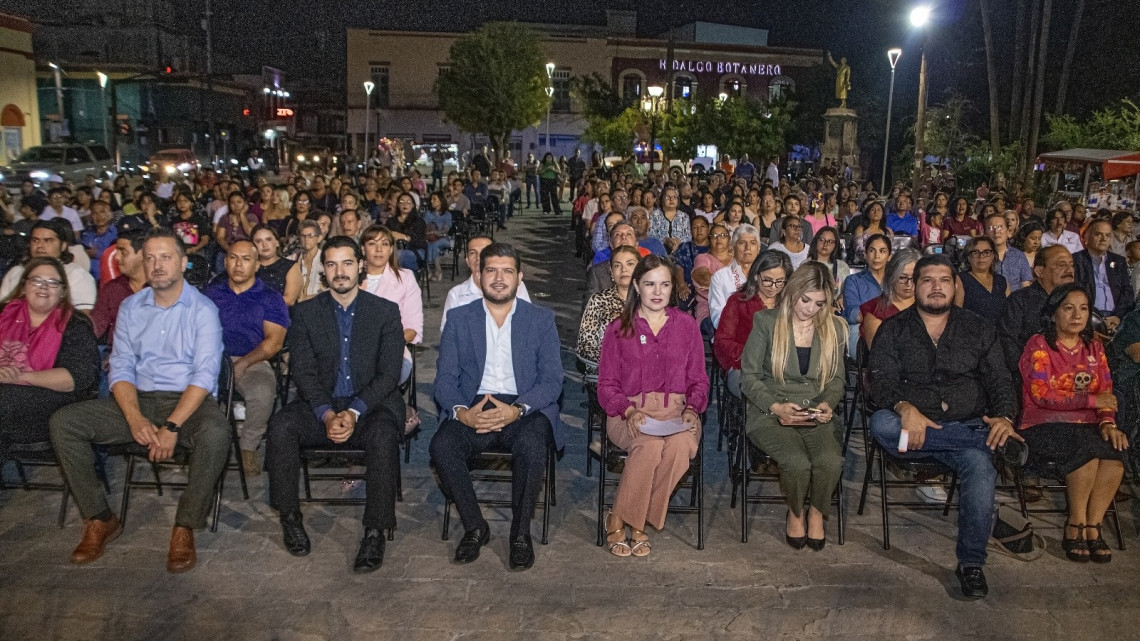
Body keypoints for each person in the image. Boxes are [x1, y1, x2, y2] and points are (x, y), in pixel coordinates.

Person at [49, 228, 229, 574]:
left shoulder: (203, 310)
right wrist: (134, 419)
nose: (157, 265)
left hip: (187, 403)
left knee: (216, 433)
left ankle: (185, 525)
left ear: (183, 262)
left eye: (166, 257)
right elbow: (121, 367)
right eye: (150, 258)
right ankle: (100, 518)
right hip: (139, 400)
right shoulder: (131, 307)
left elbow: (205, 376)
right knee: (65, 422)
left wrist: (171, 426)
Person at [868, 254, 1024, 599]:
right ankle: (982, 441)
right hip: (908, 431)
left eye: (944, 280)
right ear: (914, 285)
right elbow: (880, 382)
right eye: (927, 280)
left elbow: (1000, 379)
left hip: (962, 420)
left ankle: (971, 564)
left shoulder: (979, 328)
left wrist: (1004, 417)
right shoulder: (893, 329)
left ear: (956, 286)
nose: (936, 287)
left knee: (980, 469)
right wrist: (905, 407)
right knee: (881, 424)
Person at [265, 236, 406, 573]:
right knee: (281, 426)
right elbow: (303, 371)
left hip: (371, 404)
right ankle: (290, 516)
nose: (339, 271)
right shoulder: (306, 313)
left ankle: (375, 531)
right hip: (322, 402)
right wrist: (327, 413)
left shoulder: (385, 311)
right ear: (323, 270)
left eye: (347, 263)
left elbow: (389, 374)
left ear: (360, 266)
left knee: (383, 436)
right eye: (331, 264)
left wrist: (354, 411)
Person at [430, 243, 563, 570]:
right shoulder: (460, 318)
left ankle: (520, 534)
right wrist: (463, 413)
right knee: (442, 446)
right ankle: (475, 526)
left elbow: (552, 380)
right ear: (479, 275)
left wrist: (518, 409)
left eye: (507, 271)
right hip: (475, 403)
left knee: (532, 446)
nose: (499, 278)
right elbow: (444, 379)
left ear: (520, 277)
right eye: (491, 270)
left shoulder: (541, 319)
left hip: (524, 405)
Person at [596, 254, 707, 557]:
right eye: (649, 284)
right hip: (629, 411)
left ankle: (625, 516)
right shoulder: (619, 328)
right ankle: (634, 522)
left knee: (680, 446)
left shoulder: (687, 326)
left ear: (672, 287)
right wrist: (628, 410)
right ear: (637, 286)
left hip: (677, 411)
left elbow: (699, 379)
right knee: (649, 446)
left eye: (665, 284)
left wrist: (692, 408)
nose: (657, 292)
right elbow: (606, 385)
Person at [741, 262, 848, 550]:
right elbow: (749, 377)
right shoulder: (766, 322)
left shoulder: (834, 329)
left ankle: (817, 512)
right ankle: (796, 511)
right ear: (792, 291)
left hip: (814, 411)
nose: (810, 309)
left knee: (830, 461)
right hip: (770, 410)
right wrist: (775, 406)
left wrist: (827, 404)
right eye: (805, 300)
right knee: (797, 462)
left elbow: (837, 379)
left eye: (819, 303)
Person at [1019, 283, 1128, 562]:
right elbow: (1043, 395)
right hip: (1043, 425)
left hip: (1087, 426)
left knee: (1115, 453)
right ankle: (1075, 524)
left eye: (1083, 309)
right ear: (1054, 313)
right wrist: (1092, 402)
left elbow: (1106, 392)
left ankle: (1093, 526)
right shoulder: (1039, 345)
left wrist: (1108, 423)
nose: (1077, 315)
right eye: (1068, 308)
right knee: (1086, 451)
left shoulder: (1094, 347)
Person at [204, 240, 289, 476]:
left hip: (253, 360)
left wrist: (243, 363)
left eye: (246, 259)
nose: (238, 264)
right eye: (233, 258)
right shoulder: (210, 294)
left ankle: (248, 447)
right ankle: (202, 446)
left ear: (257, 265)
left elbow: (274, 342)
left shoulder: (270, 298)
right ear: (225, 262)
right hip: (211, 360)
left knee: (262, 390)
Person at [0, 257, 99, 452]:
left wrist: (20, 377)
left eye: (53, 282)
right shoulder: (3, 313)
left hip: (49, 403)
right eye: (36, 280)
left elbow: (76, 378)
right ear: (24, 286)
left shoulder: (75, 324)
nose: (44, 287)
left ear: (62, 291)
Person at [714, 251, 793, 396]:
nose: (773, 287)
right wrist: (752, 355)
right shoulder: (739, 301)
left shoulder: (790, 304)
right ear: (756, 276)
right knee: (763, 392)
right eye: (767, 280)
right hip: (745, 368)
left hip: (783, 370)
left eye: (780, 281)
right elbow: (722, 341)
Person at [0, 221, 97, 312]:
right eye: (35, 240)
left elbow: (84, 314)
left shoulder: (76, 274)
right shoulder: (16, 272)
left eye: (48, 241)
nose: (40, 246)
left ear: (63, 246)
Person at [441, 235, 531, 333]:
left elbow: (527, 324)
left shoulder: (515, 286)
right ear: (467, 261)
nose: (478, 258)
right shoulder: (456, 294)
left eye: (485, 252)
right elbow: (448, 333)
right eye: (472, 253)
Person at [576, 246, 639, 368]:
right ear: (611, 271)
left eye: (630, 264)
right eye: (617, 265)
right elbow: (585, 346)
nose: (624, 269)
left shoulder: (650, 301)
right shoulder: (598, 301)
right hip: (606, 370)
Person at [1073, 218, 1134, 333]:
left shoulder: (1118, 261)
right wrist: (1099, 318)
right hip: (1088, 318)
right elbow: (1076, 292)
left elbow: (1127, 292)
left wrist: (1118, 317)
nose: (1103, 239)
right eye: (1098, 234)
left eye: (1107, 235)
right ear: (1087, 236)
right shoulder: (1076, 260)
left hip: (1116, 318)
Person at [91, 232, 147, 347]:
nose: (117, 257)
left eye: (123, 252)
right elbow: (95, 327)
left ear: (142, 254)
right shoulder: (113, 288)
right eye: (117, 251)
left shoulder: (161, 288)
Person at [842, 234, 892, 353]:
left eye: (882, 251)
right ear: (865, 254)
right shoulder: (853, 281)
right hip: (863, 331)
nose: (876, 256)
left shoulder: (896, 281)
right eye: (872, 250)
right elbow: (853, 314)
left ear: (889, 256)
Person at [860, 248, 919, 347]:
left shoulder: (929, 305)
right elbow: (879, 353)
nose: (909, 284)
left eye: (914, 278)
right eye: (902, 277)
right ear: (892, 276)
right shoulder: (876, 313)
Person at [708, 224, 762, 328]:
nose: (748, 248)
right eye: (742, 243)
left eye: (753, 243)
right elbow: (718, 318)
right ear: (733, 248)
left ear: (758, 249)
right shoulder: (720, 277)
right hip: (733, 333)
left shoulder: (766, 277)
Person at [954, 236, 1009, 321]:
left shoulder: (1001, 280)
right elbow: (956, 314)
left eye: (986, 252)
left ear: (993, 256)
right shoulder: (961, 279)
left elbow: (1011, 312)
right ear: (968, 257)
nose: (981, 257)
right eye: (976, 253)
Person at [691, 223, 733, 334]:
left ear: (729, 239)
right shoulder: (703, 258)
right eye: (714, 236)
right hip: (708, 307)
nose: (718, 238)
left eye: (723, 235)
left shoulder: (737, 261)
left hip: (735, 307)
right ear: (709, 240)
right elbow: (703, 278)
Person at [251, 225, 302, 305]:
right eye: (258, 241)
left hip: (281, 312)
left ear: (277, 242)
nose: (264, 244)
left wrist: (256, 302)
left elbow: (289, 300)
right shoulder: (249, 267)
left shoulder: (290, 266)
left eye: (268, 239)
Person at [985, 212, 1033, 292]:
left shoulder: (1019, 256)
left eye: (1000, 227)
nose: (996, 231)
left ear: (1008, 232)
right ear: (985, 233)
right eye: (991, 228)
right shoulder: (980, 257)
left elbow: (1026, 286)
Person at [808, 226, 850, 298]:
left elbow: (848, 290)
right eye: (822, 240)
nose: (825, 244)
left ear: (835, 245)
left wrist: (842, 297)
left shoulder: (842, 266)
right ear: (816, 241)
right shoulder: (807, 264)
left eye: (830, 242)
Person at [647, 186, 692, 254]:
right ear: (662, 200)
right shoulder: (654, 215)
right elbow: (650, 235)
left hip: (680, 251)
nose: (671, 199)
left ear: (678, 200)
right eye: (667, 197)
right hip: (658, 252)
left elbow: (688, 237)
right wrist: (665, 240)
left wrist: (679, 241)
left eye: (674, 197)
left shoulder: (684, 217)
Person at [423, 191, 453, 281]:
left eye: (434, 199)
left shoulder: (447, 214)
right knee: (426, 244)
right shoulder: (428, 213)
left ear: (440, 201)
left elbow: (446, 230)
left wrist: (435, 233)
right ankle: (428, 270)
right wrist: (429, 233)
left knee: (435, 244)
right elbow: (424, 226)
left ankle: (438, 270)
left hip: (443, 237)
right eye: (431, 199)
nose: (431, 201)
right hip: (430, 237)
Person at [295, 219, 325, 303]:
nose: (306, 239)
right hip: (297, 306)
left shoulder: (326, 260)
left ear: (319, 238)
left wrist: (307, 298)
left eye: (310, 235)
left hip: (321, 304)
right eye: (303, 236)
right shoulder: (292, 259)